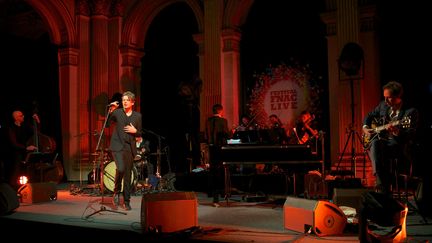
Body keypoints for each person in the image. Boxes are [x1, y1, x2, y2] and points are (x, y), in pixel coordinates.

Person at [362, 81, 418, 195]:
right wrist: (365, 127)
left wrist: (397, 132)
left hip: (399, 146)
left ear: (398, 97)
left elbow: (410, 135)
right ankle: (382, 184)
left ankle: (382, 186)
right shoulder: (383, 105)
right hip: (382, 143)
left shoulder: (410, 112)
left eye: (389, 98)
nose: (386, 101)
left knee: (379, 149)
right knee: (376, 144)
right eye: (385, 97)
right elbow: (369, 115)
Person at [108, 91, 142, 210]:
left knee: (128, 175)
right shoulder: (118, 113)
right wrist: (111, 111)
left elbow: (140, 133)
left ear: (132, 102)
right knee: (121, 168)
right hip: (117, 146)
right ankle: (116, 191)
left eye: (127, 100)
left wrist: (135, 131)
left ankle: (126, 201)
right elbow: (107, 124)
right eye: (123, 100)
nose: (125, 102)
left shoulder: (138, 116)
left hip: (129, 148)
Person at [205, 104, 231, 207]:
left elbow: (206, 136)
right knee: (221, 172)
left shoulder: (208, 121)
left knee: (213, 172)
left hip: (211, 149)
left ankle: (214, 197)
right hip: (220, 149)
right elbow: (227, 135)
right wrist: (231, 132)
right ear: (221, 111)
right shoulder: (223, 121)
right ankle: (223, 193)